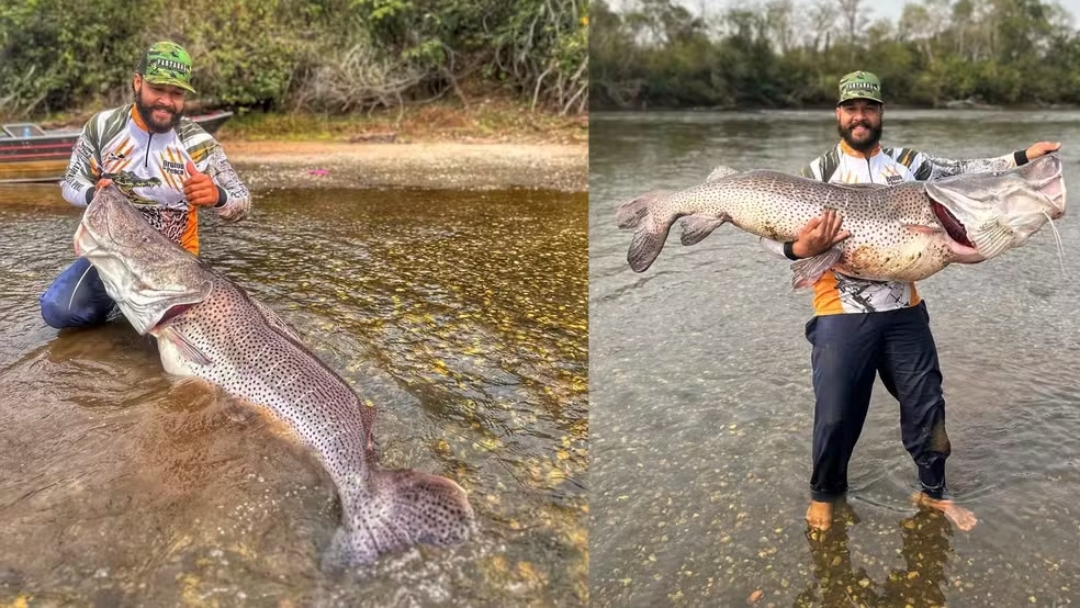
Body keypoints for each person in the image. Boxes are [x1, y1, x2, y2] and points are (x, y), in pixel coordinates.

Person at [761, 70, 1061, 532]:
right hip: (840, 312)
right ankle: (825, 494)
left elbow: (968, 173)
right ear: (839, 114)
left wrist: (1023, 157)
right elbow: (768, 230)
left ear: (880, 113)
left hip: (905, 312)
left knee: (927, 407)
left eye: (869, 108)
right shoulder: (815, 175)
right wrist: (795, 250)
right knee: (837, 412)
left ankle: (934, 492)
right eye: (852, 109)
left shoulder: (908, 164)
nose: (860, 117)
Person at [39, 41, 251, 329]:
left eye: (176, 93)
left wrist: (218, 196)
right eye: (158, 89)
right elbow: (70, 183)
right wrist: (93, 194)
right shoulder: (103, 128)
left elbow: (242, 199)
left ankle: (132, 310)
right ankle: (118, 305)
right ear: (137, 83)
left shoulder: (199, 144)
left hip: (176, 265)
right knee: (58, 310)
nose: (166, 100)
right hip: (112, 254)